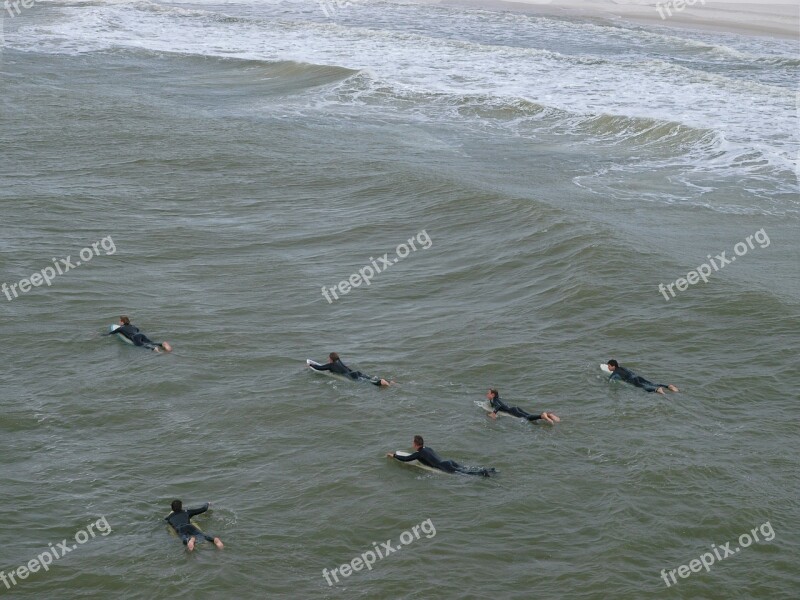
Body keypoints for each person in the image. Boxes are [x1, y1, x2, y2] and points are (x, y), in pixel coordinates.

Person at [387, 435, 495, 477]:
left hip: (444, 467)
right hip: (448, 462)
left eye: (412, 442)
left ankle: (483, 473)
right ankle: (489, 470)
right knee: (464, 468)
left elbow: (406, 459)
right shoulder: (427, 448)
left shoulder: (418, 454)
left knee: (465, 473)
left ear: (415, 444)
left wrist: (394, 455)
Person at [308, 352, 392, 386]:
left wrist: (310, 365)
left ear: (331, 359)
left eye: (329, 358)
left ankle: (381, 382)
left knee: (370, 383)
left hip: (351, 376)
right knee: (370, 378)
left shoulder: (331, 365)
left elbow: (320, 368)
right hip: (355, 372)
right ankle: (390, 382)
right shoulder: (339, 361)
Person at [486, 389, 560, 424]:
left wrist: (493, 413)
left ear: (493, 395)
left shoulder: (494, 400)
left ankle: (542, 416)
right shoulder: (497, 398)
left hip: (512, 411)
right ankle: (549, 415)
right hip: (515, 408)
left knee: (527, 418)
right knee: (529, 415)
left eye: (488, 393)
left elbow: (498, 406)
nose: (486, 394)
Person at [605, 359, 679, 395]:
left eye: (609, 366)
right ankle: (668, 386)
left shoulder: (615, 373)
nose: (608, 368)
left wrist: (606, 380)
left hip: (633, 380)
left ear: (613, 366)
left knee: (643, 387)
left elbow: (611, 380)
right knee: (651, 383)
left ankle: (657, 390)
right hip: (637, 376)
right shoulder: (623, 368)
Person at [106, 316, 172, 353]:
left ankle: (154, 349)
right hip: (140, 335)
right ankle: (162, 344)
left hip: (134, 337)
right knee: (151, 342)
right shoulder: (133, 326)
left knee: (142, 345)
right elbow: (137, 330)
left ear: (122, 322)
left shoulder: (120, 328)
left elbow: (110, 333)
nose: (119, 322)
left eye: (119, 321)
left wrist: (101, 335)